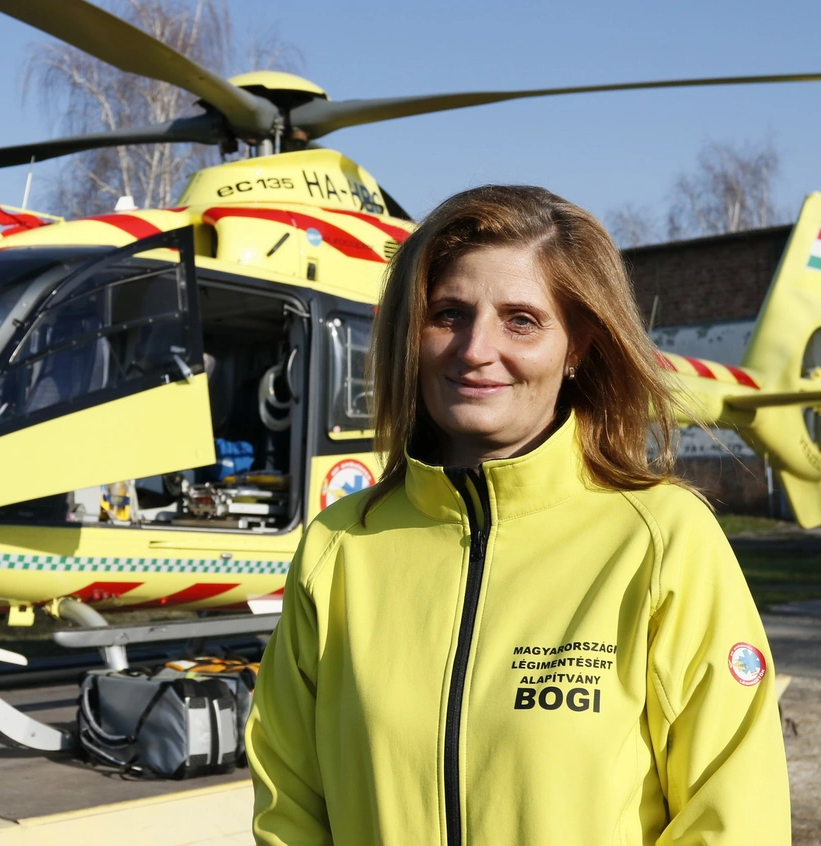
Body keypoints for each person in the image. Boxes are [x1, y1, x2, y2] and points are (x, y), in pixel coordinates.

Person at [245, 185, 790, 845]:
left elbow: (733, 815)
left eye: (521, 320)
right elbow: (290, 805)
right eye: (449, 314)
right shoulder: (338, 547)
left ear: (577, 347)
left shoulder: (662, 540)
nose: (476, 348)